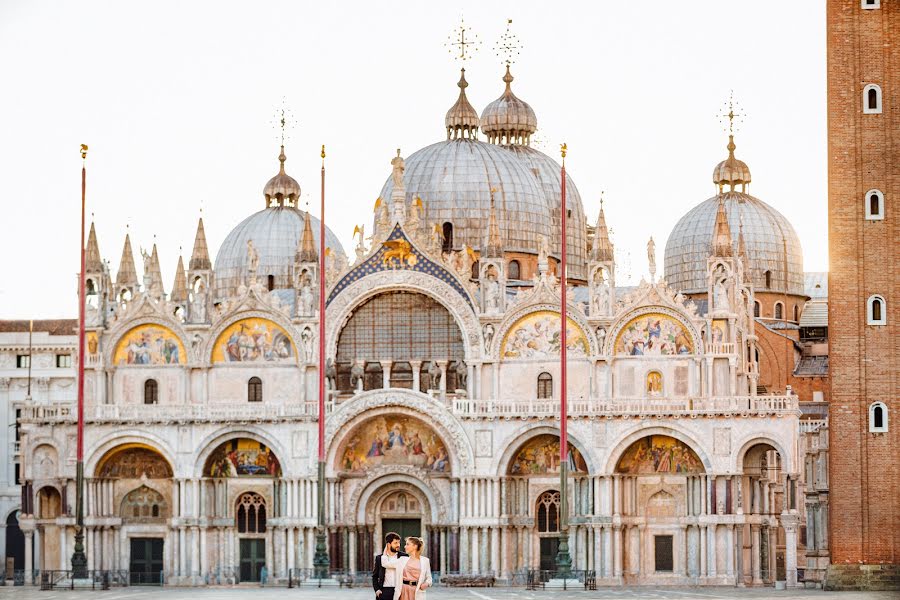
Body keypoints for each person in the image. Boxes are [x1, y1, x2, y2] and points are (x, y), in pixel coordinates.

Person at [373, 532, 407, 600]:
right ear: (388, 544)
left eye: (399, 543)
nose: (398, 545)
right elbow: (375, 576)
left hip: (400, 590)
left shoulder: (404, 556)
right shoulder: (379, 558)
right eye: (395, 543)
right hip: (384, 591)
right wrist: (377, 590)